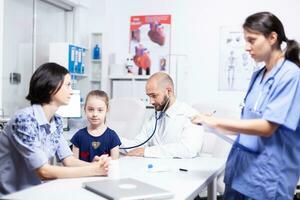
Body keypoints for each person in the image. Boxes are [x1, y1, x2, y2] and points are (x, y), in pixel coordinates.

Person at [192, 12, 300, 199]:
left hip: (268, 178)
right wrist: (209, 124)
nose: (246, 47)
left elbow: (267, 127)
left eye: (252, 40)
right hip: (241, 172)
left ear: (272, 38)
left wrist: (217, 122)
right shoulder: (258, 76)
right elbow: (248, 123)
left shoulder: (290, 75)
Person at [0, 63, 110, 195]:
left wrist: (96, 165)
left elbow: (69, 161)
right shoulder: (24, 120)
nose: (71, 91)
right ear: (51, 87)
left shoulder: (56, 121)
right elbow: (44, 172)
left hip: (38, 191)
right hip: (15, 195)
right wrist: (93, 170)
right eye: (68, 85)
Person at [121, 72, 203, 158]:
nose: (151, 101)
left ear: (168, 91)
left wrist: (147, 151)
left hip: (180, 169)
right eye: (149, 96)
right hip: (154, 169)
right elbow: (138, 146)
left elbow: (189, 149)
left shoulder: (191, 115)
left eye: (154, 96)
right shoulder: (154, 118)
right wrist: (113, 139)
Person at [71, 90, 121, 162]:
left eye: (100, 110)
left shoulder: (113, 137)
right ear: (85, 109)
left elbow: (114, 165)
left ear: (107, 110)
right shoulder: (78, 136)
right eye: (91, 109)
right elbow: (73, 165)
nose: (95, 114)